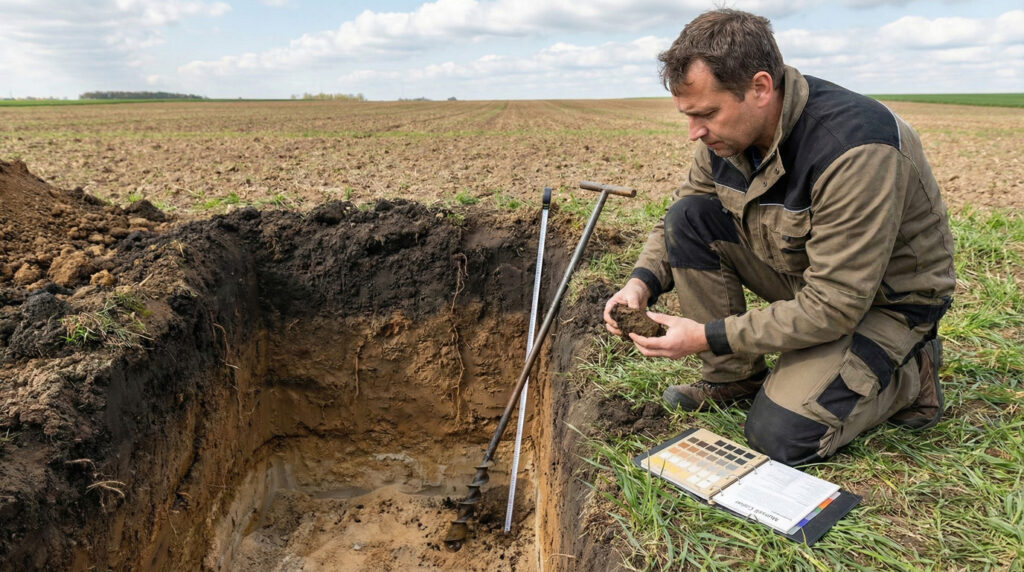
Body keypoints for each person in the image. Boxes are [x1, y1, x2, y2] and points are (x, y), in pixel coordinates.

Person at [603, 9, 956, 465]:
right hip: (808, 278)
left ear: (761, 88)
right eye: (688, 116)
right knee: (689, 217)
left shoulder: (855, 149)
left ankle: (912, 372)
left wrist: (706, 335)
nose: (695, 133)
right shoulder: (727, 138)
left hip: (884, 304)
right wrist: (640, 284)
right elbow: (684, 210)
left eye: (707, 113)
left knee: (782, 434)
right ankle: (734, 377)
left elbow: (835, 305)